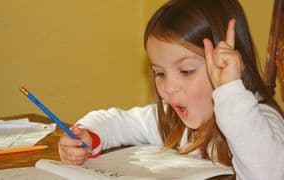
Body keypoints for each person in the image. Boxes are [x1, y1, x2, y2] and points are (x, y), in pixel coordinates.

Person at [58, 0, 284, 179]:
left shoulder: (262, 121)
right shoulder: (174, 121)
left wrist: (230, 91)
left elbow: (265, 173)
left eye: (186, 70)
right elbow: (119, 121)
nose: (168, 87)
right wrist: (87, 136)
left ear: (231, 67)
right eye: (159, 73)